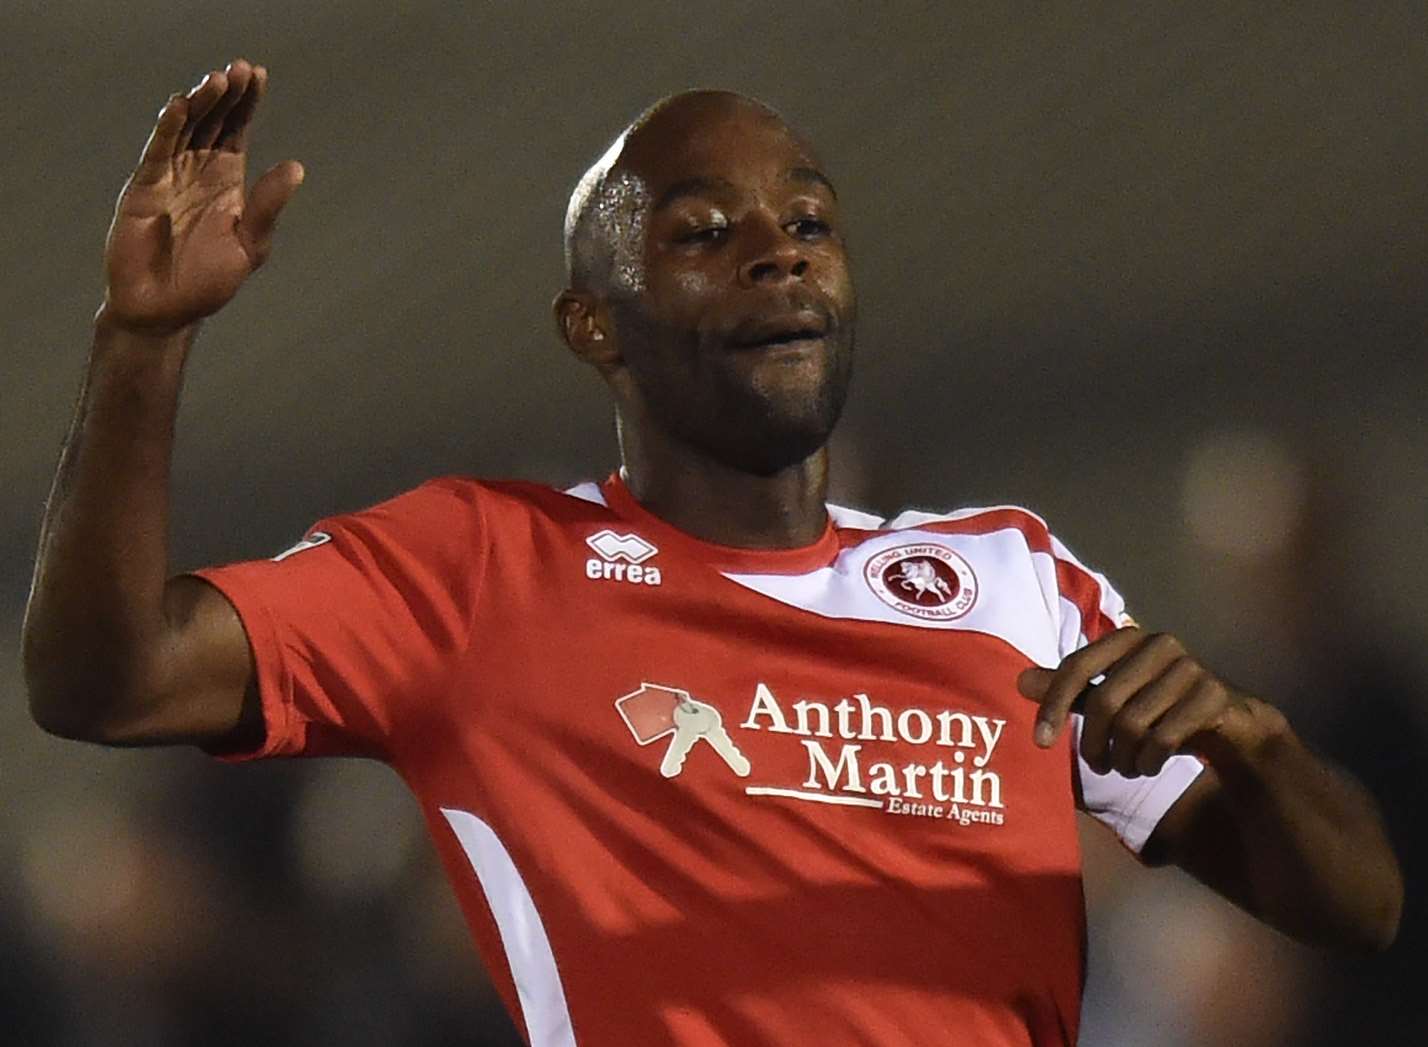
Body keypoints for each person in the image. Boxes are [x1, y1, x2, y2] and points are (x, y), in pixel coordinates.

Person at [22, 58, 1402, 1046]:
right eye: (704, 233)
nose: (779, 255)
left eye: (809, 224)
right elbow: (107, 678)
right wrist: (141, 341)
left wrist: (1258, 752)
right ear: (595, 325)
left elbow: (1358, 909)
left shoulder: (1015, 584)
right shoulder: (483, 572)